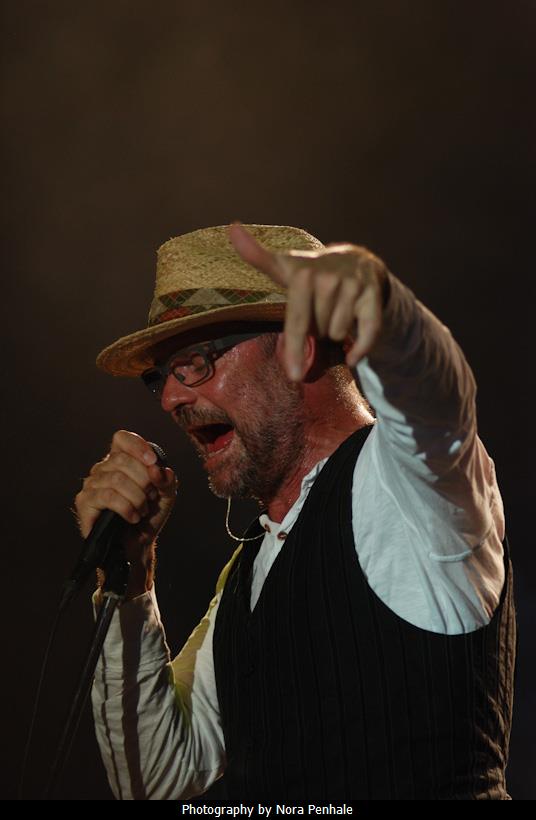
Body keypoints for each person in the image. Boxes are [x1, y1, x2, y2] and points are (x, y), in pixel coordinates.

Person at [76, 223, 516, 801]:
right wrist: (129, 576)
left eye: (196, 362)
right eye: (163, 377)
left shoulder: (407, 480)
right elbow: (154, 779)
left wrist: (377, 304)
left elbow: (437, 397)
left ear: (300, 347)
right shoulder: (250, 569)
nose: (171, 398)